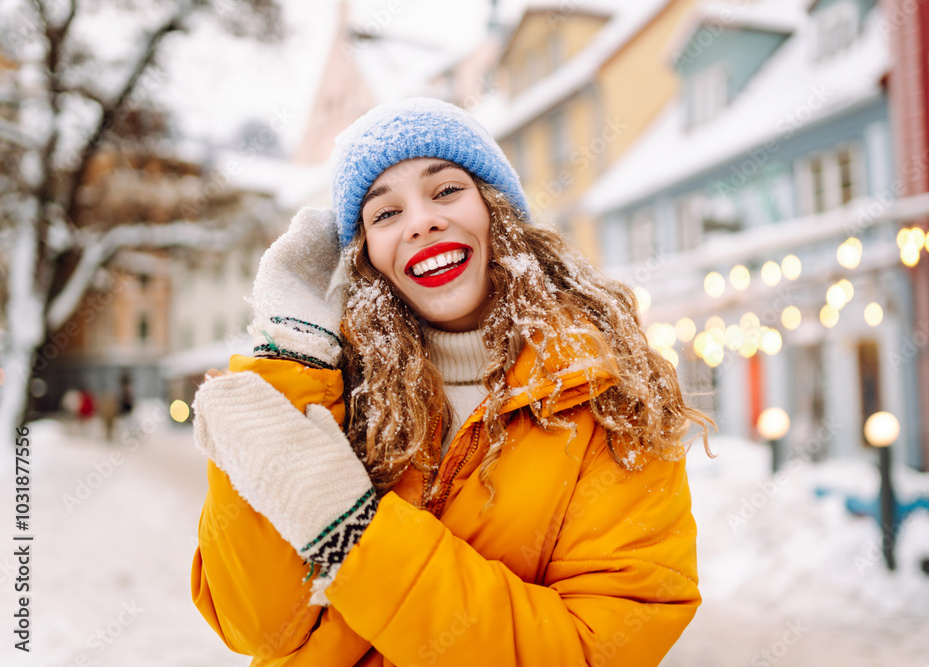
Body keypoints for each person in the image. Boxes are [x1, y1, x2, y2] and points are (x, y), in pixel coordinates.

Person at [191, 97, 711, 666]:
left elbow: (592, 649)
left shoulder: (608, 394)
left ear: (496, 211)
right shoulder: (326, 388)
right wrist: (289, 357)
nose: (421, 221)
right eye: (384, 214)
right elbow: (259, 629)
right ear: (366, 256)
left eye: (445, 191)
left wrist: (356, 537)